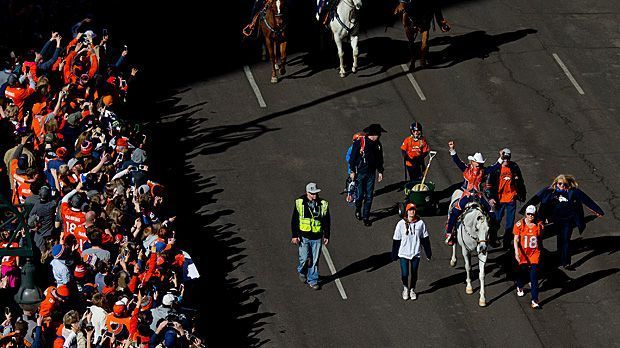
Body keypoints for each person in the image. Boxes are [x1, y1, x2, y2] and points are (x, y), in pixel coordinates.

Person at [521, 174, 603, 270]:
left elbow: (587, 200)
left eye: (565, 184)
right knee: (560, 240)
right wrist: (525, 211)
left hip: (568, 220)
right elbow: (536, 199)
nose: (562, 186)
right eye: (560, 184)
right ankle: (560, 257)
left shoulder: (573, 192)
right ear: (556, 183)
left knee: (565, 240)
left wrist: (598, 211)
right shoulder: (549, 191)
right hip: (555, 220)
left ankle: (566, 262)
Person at [444, 140, 502, 245]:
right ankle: (449, 233)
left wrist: (501, 158)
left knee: (492, 213)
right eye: (477, 163)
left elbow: (494, 167)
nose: (479, 165)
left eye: (480, 164)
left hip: (478, 196)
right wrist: (452, 149)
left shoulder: (483, 171)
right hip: (466, 195)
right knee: (455, 212)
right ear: (473, 162)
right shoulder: (466, 169)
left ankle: (492, 236)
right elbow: (457, 161)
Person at [291, 182, 330, 290]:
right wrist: (295, 235)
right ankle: (302, 271)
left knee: (315, 260)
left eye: (316, 193)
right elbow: (294, 220)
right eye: (312, 193)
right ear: (307, 192)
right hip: (304, 237)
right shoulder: (299, 203)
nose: (315, 196)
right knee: (303, 258)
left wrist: (326, 235)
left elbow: (326, 221)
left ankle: (313, 280)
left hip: (317, 237)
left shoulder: (323, 204)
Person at [486, 148, 526, 248]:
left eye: (508, 159)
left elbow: (520, 181)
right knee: (496, 220)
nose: (506, 161)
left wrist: (521, 194)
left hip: (511, 198)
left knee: (510, 223)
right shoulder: (496, 168)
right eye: (504, 158)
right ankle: (492, 238)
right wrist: (490, 197)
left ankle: (507, 242)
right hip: (499, 199)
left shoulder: (514, 167)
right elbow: (489, 185)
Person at [348, 124, 386, 227]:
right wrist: (352, 171)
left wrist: (380, 171)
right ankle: (358, 208)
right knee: (360, 195)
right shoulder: (359, 143)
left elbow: (379, 159)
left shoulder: (378, 145)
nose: (379, 136)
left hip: (371, 173)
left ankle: (366, 217)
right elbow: (352, 158)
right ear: (373, 134)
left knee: (369, 196)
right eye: (378, 134)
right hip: (360, 173)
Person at [392, 203, 431, 301]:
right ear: (406, 211)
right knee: (405, 273)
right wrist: (394, 254)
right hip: (403, 253)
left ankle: (412, 289)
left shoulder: (420, 223)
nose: (412, 212)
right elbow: (396, 240)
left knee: (414, 273)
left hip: (415, 253)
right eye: (410, 210)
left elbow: (425, 239)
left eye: (413, 210)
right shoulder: (400, 224)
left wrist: (428, 253)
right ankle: (405, 288)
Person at [513, 205, 543, 309]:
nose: (530, 216)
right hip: (523, 254)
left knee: (534, 276)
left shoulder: (538, 225)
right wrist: (517, 252)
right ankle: (520, 285)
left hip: (534, 254)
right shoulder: (519, 225)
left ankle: (535, 300)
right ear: (526, 213)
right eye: (529, 214)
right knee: (522, 272)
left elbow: (539, 239)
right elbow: (516, 239)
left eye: (532, 214)